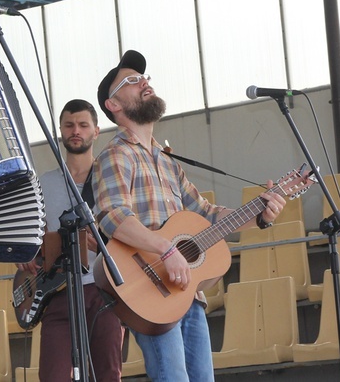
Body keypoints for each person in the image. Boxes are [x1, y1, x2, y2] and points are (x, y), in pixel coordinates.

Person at [93, 50, 286, 382]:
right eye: (132, 80)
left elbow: (208, 216)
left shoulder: (169, 162)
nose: (144, 82)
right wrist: (167, 250)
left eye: (144, 77)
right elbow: (111, 215)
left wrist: (261, 213)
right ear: (113, 105)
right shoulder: (116, 155)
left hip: (187, 295)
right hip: (150, 291)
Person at [17, 99, 124, 381]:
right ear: (61, 132)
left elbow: (130, 231)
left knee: (107, 374)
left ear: (96, 131)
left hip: (104, 291)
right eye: (69, 125)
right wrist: (25, 252)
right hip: (58, 292)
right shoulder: (43, 183)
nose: (75, 130)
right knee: (53, 375)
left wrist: (103, 244)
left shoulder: (111, 177)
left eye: (83, 125)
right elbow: (31, 233)